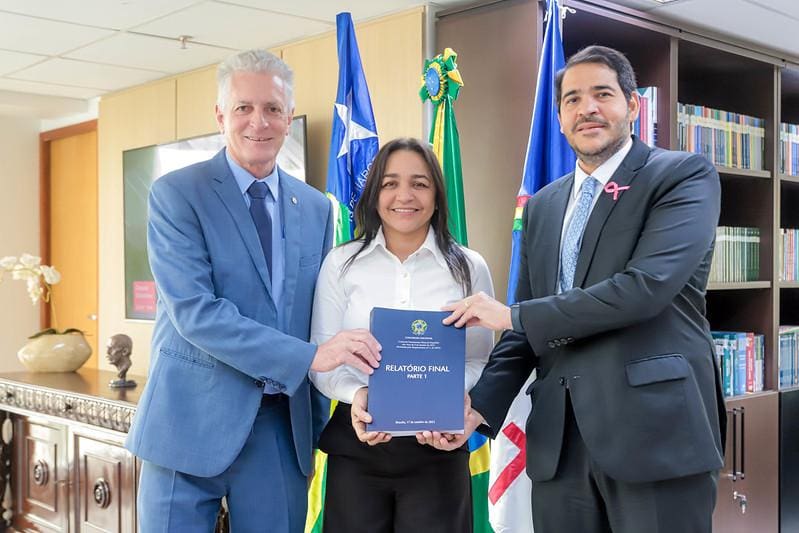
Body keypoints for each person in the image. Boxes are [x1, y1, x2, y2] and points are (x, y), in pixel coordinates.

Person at [428, 45, 726, 533]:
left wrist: (513, 316)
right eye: (572, 99)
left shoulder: (681, 176)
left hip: (655, 438)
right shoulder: (543, 205)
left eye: (602, 94)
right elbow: (527, 323)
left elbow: (643, 289)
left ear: (632, 106)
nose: (586, 108)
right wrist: (477, 410)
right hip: (559, 446)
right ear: (560, 118)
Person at [125, 49, 381, 532]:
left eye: (273, 109)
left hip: (280, 429)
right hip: (188, 422)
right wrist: (309, 357)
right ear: (221, 115)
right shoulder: (177, 195)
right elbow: (197, 313)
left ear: (287, 119)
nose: (258, 122)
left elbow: (320, 315)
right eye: (243, 108)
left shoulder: (316, 208)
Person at [310, 137, 494, 533]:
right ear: (375, 191)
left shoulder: (468, 267)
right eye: (391, 183)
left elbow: (480, 359)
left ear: (437, 195)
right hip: (357, 449)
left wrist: (444, 394)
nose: (404, 195)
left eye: (420, 183)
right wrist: (357, 395)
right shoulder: (341, 264)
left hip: (439, 451)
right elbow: (321, 360)